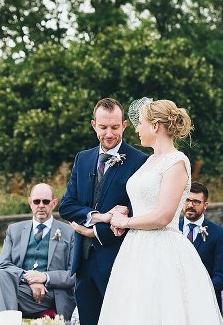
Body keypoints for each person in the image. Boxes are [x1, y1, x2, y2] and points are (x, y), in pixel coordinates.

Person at [98, 98, 223, 324]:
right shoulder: (150, 161)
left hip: (162, 248)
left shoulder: (176, 162)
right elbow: (145, 200)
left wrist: (125, 222)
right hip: (135, 248)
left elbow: (163, 215)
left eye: (140, 123)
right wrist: (125, 213)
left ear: (155, 126)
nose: (136, 129)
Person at [58, 98, 148, 325]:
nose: (109, 133)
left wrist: (95, 231)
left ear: (124, 125)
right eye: (103, 127)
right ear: (93, 125)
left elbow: (138, 214)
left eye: (115, 127)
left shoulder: (140, 162)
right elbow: (66, 206)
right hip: (83, 262)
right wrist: (102, 217)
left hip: (118, 260)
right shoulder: (83, 158)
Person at [0, 183, 76, 325]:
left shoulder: (69, 232)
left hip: (53, 295)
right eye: (36, 201)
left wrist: (45, 277)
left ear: (54, 203)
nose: (41, 205)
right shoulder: (14, 230)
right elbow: (3, 265)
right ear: (30, 202)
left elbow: (74, 275)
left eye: (46, 201)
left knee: (2, 296)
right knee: (0, 275)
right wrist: (28, 278)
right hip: (22, 290)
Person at [179, 181, 223, 305]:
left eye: (196, 202)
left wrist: (200, 292)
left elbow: (222, 276)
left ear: (205, 205)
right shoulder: (171, 229)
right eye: (187, 200)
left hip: (205, 300)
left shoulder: (220, 234)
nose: (190, 205)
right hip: (174, 298)